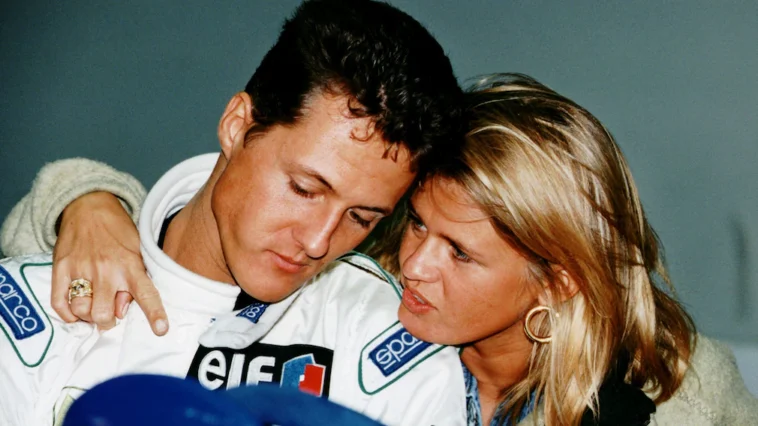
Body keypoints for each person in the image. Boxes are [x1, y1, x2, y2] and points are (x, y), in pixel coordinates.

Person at [8, 74, 758, 426]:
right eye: (417, 224)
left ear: (555, 281)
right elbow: (194, 242)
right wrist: (89, 199)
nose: (415, 264)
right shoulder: (365, 299)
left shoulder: (677, 395)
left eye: (461, 253)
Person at [0, 1, 469, 425]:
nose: (318, 242)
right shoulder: (37, 309)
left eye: (361, 218)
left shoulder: (389, 339)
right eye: (305, 189)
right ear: (237, 126)